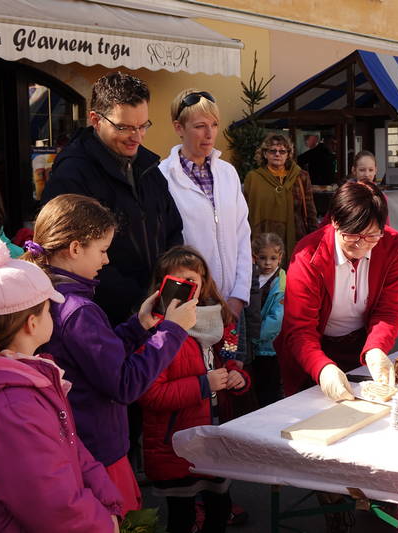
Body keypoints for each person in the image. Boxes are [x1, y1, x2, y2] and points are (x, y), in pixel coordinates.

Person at [24, 194, 196, 515]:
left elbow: (93, 360)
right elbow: (124, 384)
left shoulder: (45, 292)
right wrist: (173, 330)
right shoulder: (78, 309)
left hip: (74, 441)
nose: (106, 261)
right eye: (102, 250)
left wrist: (138, 326)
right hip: (97, 449)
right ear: (76, 248)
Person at [0, 238, 122, 532]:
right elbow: (53, 508)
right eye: (49, 309)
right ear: (31, 323)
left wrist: (108, 503)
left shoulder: (25, 379)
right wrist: (103, 524)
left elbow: (73, 449)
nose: (53, 315)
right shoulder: (12, 408)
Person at [42, 71, 183, 326]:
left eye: (143, 126)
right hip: (101, 319)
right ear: (96, 119)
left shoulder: (149, 166)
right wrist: (136, 302)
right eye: (124, 127)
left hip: (154, 309)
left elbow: (173, 229)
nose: (137, 137)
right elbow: (69, 256)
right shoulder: (72, 174)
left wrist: (169, 286)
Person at [140, 245, 250, 533]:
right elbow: (151, 394)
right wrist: (204, 384)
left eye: (191, 280)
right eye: (176, 281)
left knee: (219, 510)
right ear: (162, 285)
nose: (185, 287)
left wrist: (237, 377)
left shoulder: (220, 319)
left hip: (215, 437)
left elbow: (229, 360)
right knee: (182, 517)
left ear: (203, 283)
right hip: (175, 445)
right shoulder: (155, 330)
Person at [275, 181, 398, 401]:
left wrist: (376, 348)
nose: (361, 245)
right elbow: (300, 329)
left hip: (362, 345)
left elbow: (389, 309)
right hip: (313, 350)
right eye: (352, 235)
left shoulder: (392, 246)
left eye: (372, 236)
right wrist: (322, 368)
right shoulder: (308, 255)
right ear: (335, 222)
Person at [158, 89, 252, 323]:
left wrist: (239, 295)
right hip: (189, 304)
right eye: (200, 126)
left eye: (214, 125)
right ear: (179, 127)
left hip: (232, 302)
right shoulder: (162, 177)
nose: (209, 134)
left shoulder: (228, 173)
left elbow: (242, 235)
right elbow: (164, 246)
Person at [244, 133, 318, 263]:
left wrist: (314, 239)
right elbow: (245, 213)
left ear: (288, 154)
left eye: (282, 151)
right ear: (265, 154)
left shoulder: (300, 176)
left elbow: (310, 211)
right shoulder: (253, 178)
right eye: (272, 151)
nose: (277, 154)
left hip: (296, 238)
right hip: (263, 241)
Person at [251, 232, 286, 407]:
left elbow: (276, 319)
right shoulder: (252, 277)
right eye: (263, 258)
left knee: (270, 392)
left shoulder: (281, 282)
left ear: (280, 258)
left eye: (273, 258)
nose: (267, 263)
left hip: (269, 348)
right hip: (253, 348)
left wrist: (254, 337)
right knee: (255, 390)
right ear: (254, 257)